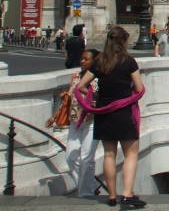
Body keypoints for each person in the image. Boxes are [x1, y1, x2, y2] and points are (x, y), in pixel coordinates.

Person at [77, 27, 145, 209]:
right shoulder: (128, 61)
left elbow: (82, 85)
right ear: (123, 42)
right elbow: (139, 88)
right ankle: (127, 194)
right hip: (123, 111)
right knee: (130, 153)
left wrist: (97, 95)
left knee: (109, 154)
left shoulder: (99, 61)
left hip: (104, 111)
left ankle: (112, 196)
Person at [49, 49, 101, 196]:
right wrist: (55, 116)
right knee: (70, 157)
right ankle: (91, 185)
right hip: (75, 120)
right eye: (82, 58)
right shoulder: (75, 77)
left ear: (94, 61)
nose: (82, 61)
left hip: (92, 121)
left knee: (86, 158)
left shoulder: (100, 78)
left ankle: (85, 193)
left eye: (86, 59)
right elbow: (68, 99)